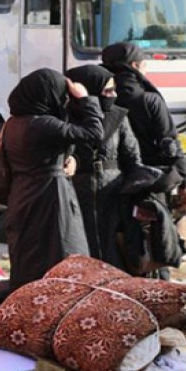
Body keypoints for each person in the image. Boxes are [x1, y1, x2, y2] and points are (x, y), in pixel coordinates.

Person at [4, 69, 104, 291]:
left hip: (24, 195)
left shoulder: (14, 123)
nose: (64, 100)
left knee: (30, 260)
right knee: (63, 255)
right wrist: (86, 100)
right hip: (50, 198)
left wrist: (69, 159)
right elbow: (94, 134)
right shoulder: (42, 124)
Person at [102, 43, 186, 278]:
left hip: (110, 185)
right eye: (144, 65)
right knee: (154, 244)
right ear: (134, 66)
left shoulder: (100, 97)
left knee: (116, 247)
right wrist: (185, 183)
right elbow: (170, 144)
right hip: (150, 184)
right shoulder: (149, 99)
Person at [65, 65, 143, 269]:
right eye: (107, 91)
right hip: (76, 193)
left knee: (112, 248)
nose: (113, 95)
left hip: (113, 193)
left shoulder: (118, 116)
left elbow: (132, 156)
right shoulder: (66, 118)